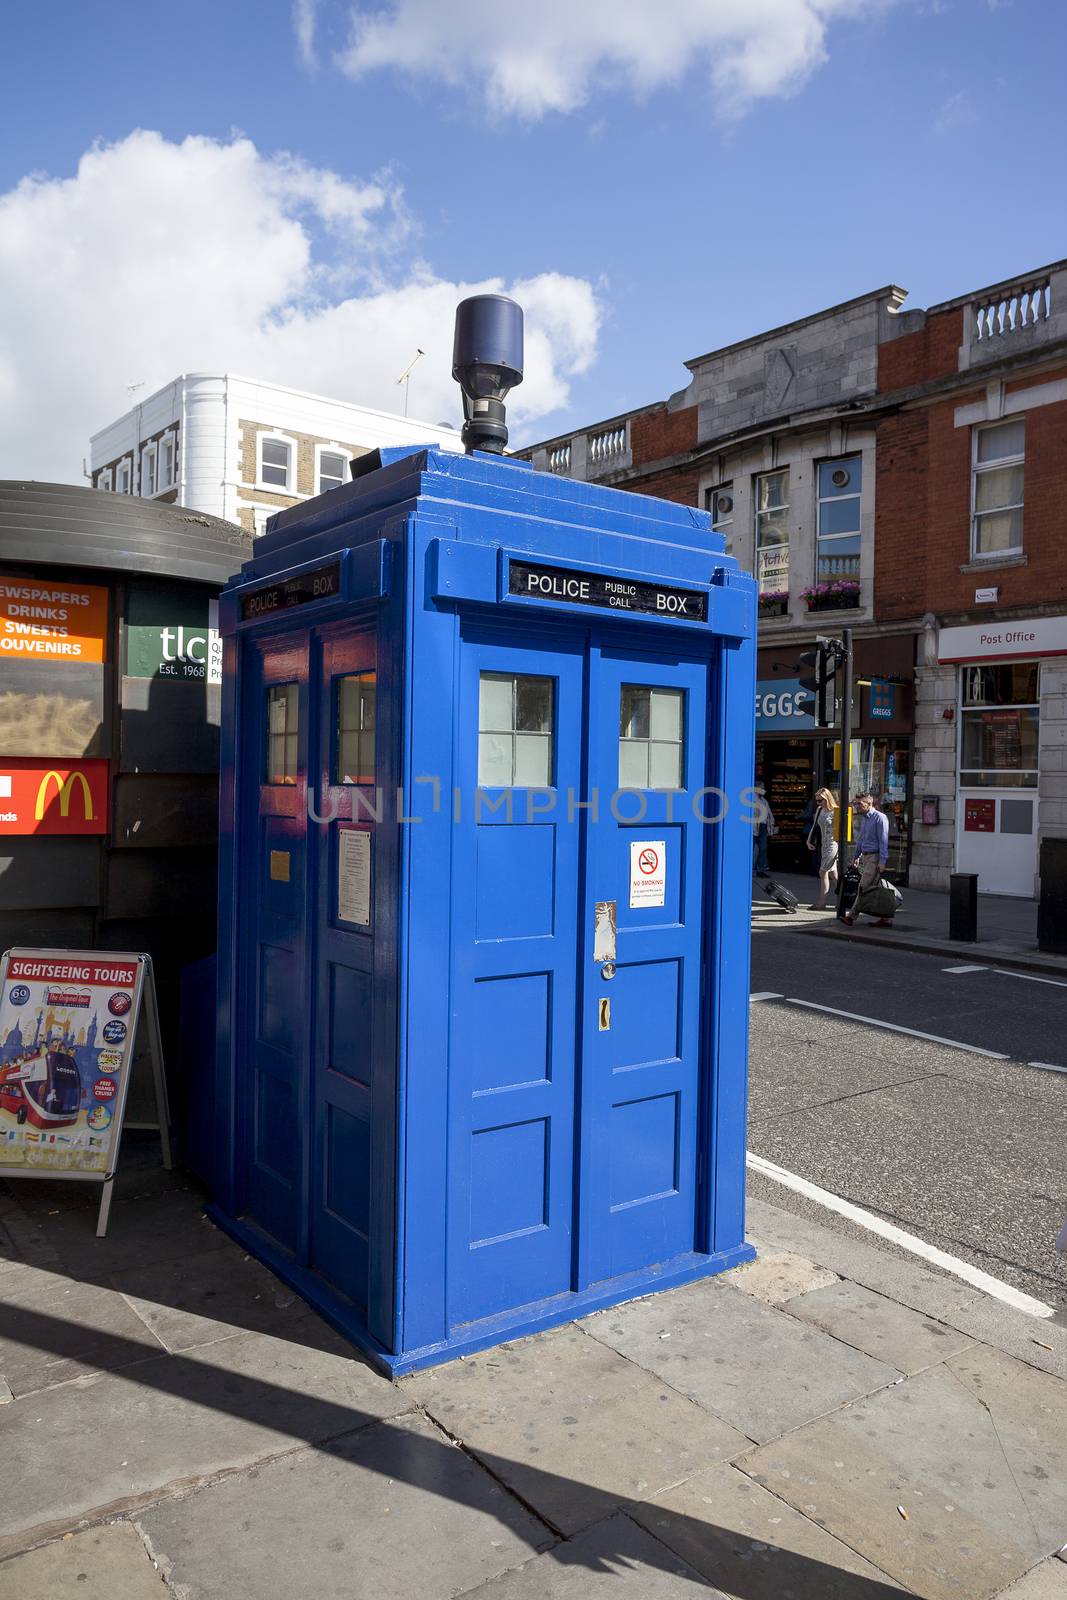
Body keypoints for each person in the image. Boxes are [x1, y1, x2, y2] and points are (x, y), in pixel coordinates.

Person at [843, 790, 893, 927]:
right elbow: (861, 840)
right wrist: (856, 856)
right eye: (855, 803)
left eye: (859, 804)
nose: (856, 806)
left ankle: (851, 917)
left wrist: (882, 861)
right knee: (875, 888)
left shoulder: (880, 818)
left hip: (875, 857)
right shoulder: (864, 818)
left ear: (869, 803)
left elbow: (883, 842)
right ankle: (886, 918)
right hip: (865, 856)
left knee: (863, 886)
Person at [806, 787, 839, 910]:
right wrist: (808, 840)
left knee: (823, 871)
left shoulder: (836, 811)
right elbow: (815, 827)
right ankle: (844, 898)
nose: (818, 803)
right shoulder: (820, 810)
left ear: (827, 799)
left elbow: (841, 832)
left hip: (833, 844)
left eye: (820, 800)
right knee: (833, 874)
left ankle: (822, 901)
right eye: (817, 800)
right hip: (824, 844)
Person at [752, 781, 774, 877]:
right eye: (762, 787)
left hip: (763, 826)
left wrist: (771, 824)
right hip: (754, 826)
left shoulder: (764, 800)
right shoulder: (751, 798)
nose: (763, 789)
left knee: (763, 849)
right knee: (751, 849)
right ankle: (750, 868)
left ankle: (760, 870)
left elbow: (769, 814)